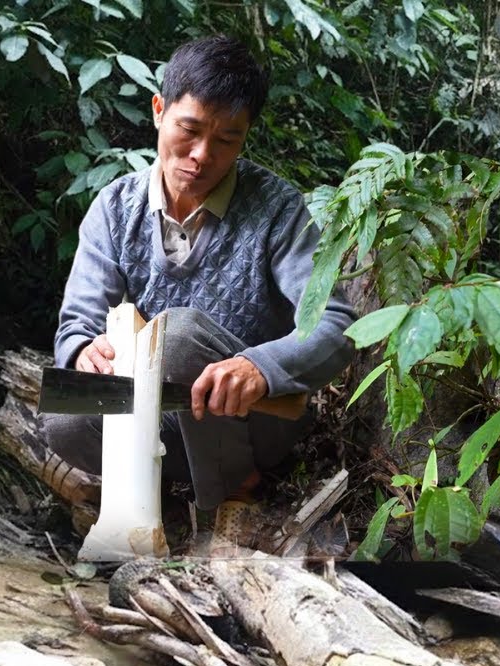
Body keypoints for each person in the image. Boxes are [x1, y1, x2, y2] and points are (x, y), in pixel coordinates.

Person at [42, 35, 355, 545]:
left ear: (246, 137)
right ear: (159, 110)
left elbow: (336, 325)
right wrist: (82, 353)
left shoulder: (277, 209)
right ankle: (168, 490)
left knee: (181, 337)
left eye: (228, 139)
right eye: (189, 129)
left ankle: (233, 492)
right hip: (162, 420)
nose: (203, 155)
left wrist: (259, 368)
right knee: (66, 422)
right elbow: (77, 322)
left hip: (255, 424)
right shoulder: (114, 207)